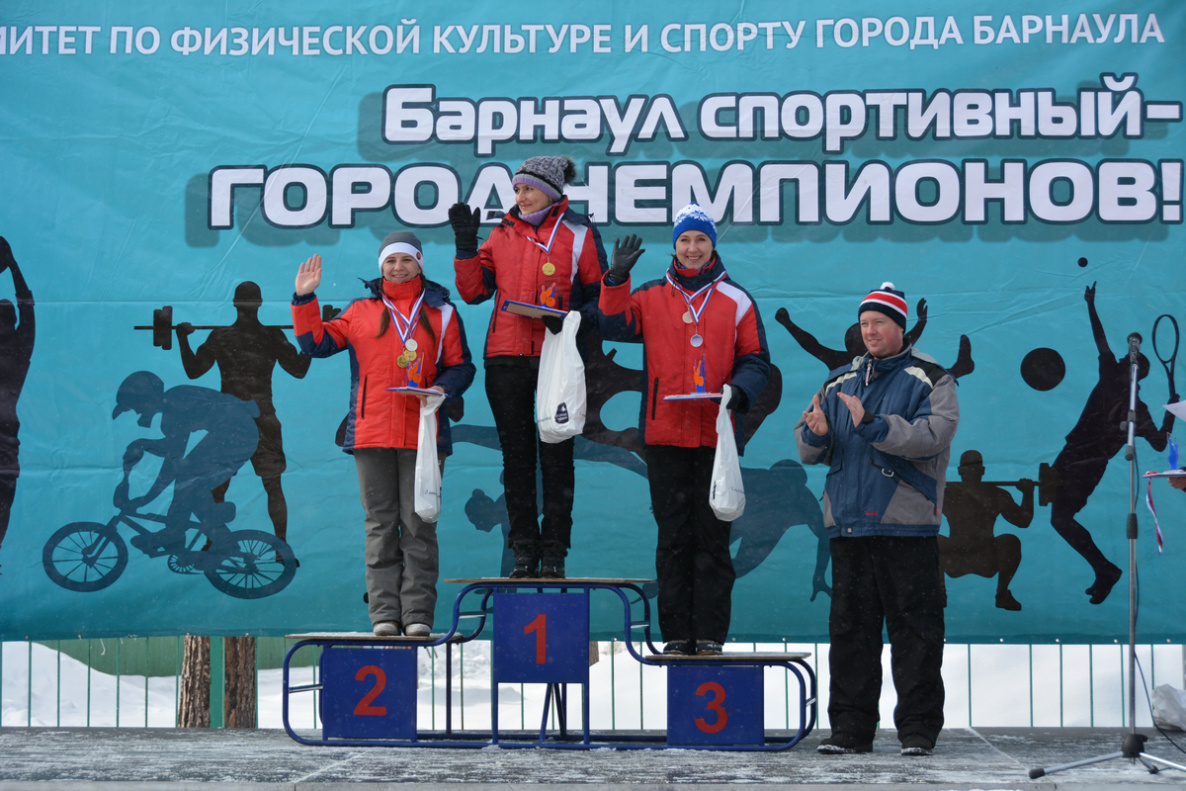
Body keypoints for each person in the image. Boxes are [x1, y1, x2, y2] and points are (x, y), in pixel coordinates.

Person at [598, 204, 770, 656]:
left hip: (716, 437)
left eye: (701, 240)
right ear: (674, 246)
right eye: (685, 241)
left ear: (713, 245)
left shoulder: (736, 299)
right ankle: (676, 633)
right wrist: (616, 280)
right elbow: (613, 325)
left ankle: (710, 635)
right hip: (664, 435)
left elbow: (756, 360)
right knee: (673, 537)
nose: (692, 249)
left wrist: (739, 390)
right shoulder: (652, 295)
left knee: (713, 539)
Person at [796, 283, 959, 757]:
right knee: (850, 634)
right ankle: (849, 730)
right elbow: (809, 449)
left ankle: (918, 731)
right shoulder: (838, 380)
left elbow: (935, 434)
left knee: (918, 633)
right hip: (848, 525)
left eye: (879, 323)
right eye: (864, 324)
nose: (869, 331)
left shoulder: (932, 377)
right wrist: (816, 433)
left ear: (900, 327)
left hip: (906, 526)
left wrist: (873, 424)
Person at [291, 232, 475, 638]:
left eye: (406, 260)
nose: (398, 268)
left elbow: (462, 366)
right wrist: (305, 301)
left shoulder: (442, 312)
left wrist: (443, 388)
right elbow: (315, 345)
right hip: (371, 431)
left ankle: (418, 616)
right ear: (381, 267)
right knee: (379, 525)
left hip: (422, 433)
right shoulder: (361, 310)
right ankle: (385, 616)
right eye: (390, 261)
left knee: (418, 524)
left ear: (420, 263)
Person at [448, 155, 607, 579]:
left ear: (551, 191)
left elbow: (600, 299)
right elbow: (473, 292)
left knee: (557, 456)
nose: (519, 195)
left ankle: (554, 550)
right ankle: (523, 549)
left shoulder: (579, 232)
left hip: (558, 355)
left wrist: (572, 320)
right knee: (516, 458)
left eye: (528, 188)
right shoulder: (501, 234)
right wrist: (466, 247)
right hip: (505, 355)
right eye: (516, 189)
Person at [1048, 282, 1175, 604]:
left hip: (1087, 465)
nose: (1118, 358)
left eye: (1126, 360)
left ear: (1135, 373)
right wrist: (1090, 304)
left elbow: (1160, 444)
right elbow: (1100, 339)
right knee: (1058, 518)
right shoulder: (1112, 378)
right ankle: (1105, 569)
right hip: (1070, 457)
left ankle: (1105, 570)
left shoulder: (1135, 406)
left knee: (1061, 519)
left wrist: (1172, 412)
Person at [176, 281, 311, 545]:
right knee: (264, 486)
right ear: (259, 302)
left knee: (222, 487)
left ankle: (216, 542)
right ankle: (274, 545)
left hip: (238, 422)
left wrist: (183, 338)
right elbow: (299, 369)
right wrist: (310, 338)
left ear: (235, 302)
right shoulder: (267, 336)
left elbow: (193, 370)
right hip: (254, 419)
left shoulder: (223, 336)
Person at [111, 371, 260, 550]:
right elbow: (173, 458)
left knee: (187, 480)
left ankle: (175, 533)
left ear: (146, 398)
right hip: (234, 434)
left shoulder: (175, 401)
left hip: (237, 434)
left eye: (134, 406)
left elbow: (172, 464)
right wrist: (142, 447)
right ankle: (225, 543)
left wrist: (146, 498)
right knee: (193, 490)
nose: (137, 412)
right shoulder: (170, 414)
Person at [939, 450, 1034, 611]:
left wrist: (1028, 494)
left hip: (985, 557)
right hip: (956, 557)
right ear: (960, 470)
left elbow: (1023, 521)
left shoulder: (997, 494)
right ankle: (939, 593)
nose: (972, 471)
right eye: (968, 467)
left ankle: (1002, 594)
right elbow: (919, 512)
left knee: (1010, 540)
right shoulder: (947, 494)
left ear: (982, 470)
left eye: (976, 467)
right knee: (932, 541)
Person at [0, 236, 34, 567]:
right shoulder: (20, 350)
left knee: (2, 503)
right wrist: (11, 265)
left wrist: (12, 263)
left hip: (5, 437)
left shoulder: (19, 350)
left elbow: (27, 303)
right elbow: (26, 303)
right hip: (6, 436)